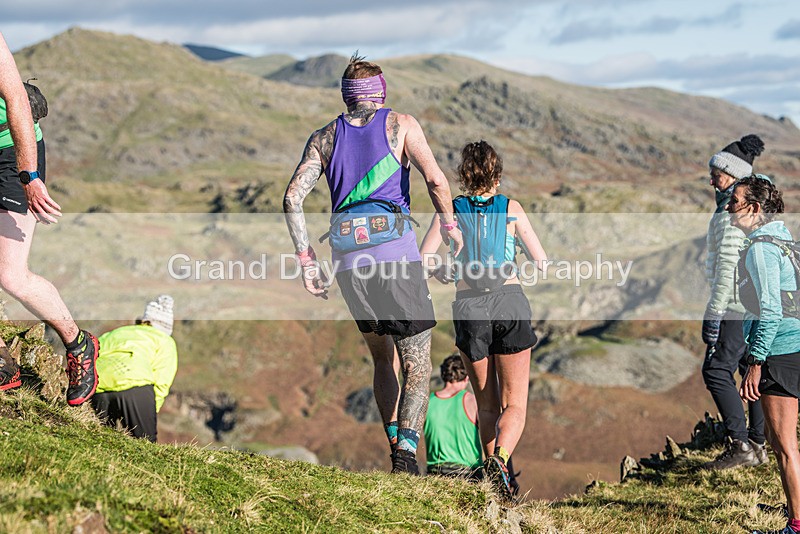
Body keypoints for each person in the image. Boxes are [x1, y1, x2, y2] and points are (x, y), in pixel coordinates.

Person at [283, 54, 463, 475]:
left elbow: (292, 198)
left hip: (348, 261)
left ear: (346, 96)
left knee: (383, 360)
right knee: (417, 362)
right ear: (380, 92)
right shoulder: (402, 125)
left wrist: (307, 260)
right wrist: (450, 227)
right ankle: (406, 457)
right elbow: (436, 180)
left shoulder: (323, 138)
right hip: (395, 255)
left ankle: (394, 445)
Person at [420, 140, 546, 499]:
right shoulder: (512, 208)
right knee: (514, 405)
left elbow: (423, 259)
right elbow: (541, 262)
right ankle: (500, 462)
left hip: (469, 307)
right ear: (497, 175)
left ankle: (493, 486)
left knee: (487, 406)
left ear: (464, 175)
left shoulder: (451, 211)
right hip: (510, 302)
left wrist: (443, 270)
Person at [0, 31, 98, 405]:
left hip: (11, 152)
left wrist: (29, 176)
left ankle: (78, 343)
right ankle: (3, 365)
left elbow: (16, 102)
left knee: (10, 275)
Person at [732, 176, 800, 534]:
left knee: (785, 445)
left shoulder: (761, 249)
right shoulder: (782, 239)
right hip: (793, 344)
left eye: (735, 201)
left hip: (780, 351)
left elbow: (771, 310)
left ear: (754, 208)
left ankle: (796, 525)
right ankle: (795, 507)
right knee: (779, 442)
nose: (728, 209)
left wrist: (755, 362)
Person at [701, 134, 768, 469]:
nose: (712, 180)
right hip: (749, 305)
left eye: (717, 174)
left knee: (715, 369)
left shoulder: (730, 213)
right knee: (746, 369)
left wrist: (714, 312)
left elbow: (727, 266)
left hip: (733, 307)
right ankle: (758, 442)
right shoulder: (741, 207)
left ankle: (740, 445)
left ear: (733, 175)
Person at [91, 295, 178, 442]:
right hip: (135, 386)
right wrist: (150, 411)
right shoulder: (165, 341)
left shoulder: (116, 332)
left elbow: (93, 355)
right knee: (145, 444)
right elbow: (162, 381)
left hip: (99, 386)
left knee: (99, 440)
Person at [424, 354, 482, 479]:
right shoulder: (471, 401)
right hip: (469, 473)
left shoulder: (427, 402)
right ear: (467, 377)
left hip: (435, 472)